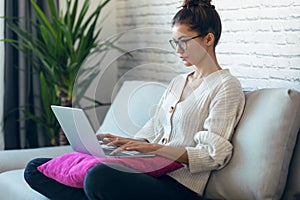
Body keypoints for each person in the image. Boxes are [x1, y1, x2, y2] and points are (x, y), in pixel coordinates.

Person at [24, 0, 245, 199]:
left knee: (98, 176)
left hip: (179, 186)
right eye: (174, 42)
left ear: (208, 39)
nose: (178, 50)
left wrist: (155, 149)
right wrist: (122, 142)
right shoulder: (178, 82)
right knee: (35, 168)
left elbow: (213, 156)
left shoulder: (226, 87)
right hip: (148, 172)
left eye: (184, 41)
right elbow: (152, 131)